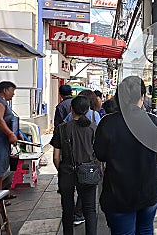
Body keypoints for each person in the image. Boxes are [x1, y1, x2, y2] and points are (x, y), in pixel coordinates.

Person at [94, 76, 157, 235]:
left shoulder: (107, 123)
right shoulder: (155, 122)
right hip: (148, 192)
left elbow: (100, 155)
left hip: (118, 193)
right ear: (142, 97)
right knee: (145, 230)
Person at [51, 95, 98, 235]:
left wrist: (62, 169)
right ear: (88, 109)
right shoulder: (93, 128)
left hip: (67, 173)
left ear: (71, 109)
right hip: (88, 172)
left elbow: (55, 157)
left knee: (67, 210)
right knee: (89, 210)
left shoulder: (62, 128)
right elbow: (99, 156)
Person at [64, 89, 101, 226]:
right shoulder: (95, 117)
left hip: (69, 165)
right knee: (90, 206)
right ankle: (79, 215)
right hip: (89, 164)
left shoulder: (68, 119)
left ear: (72, 107)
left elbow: (60, 146)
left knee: (67, 206)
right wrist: (97, 163)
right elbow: (99, 140)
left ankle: (74, 217)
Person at [0, 82, 18, 200]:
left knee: (0, 172)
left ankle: (0, 199)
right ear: (5, 90)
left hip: (3, 142)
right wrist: (10, 133)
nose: (13, 94)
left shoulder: (2, 101)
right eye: (12, 90)